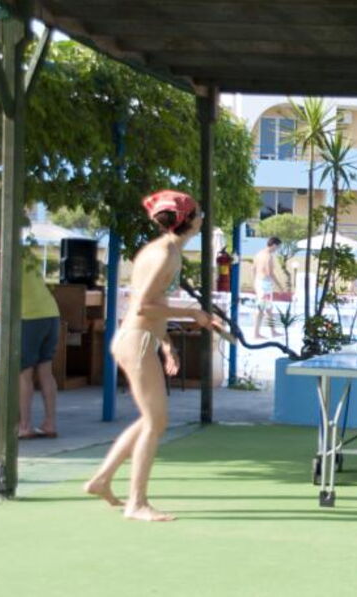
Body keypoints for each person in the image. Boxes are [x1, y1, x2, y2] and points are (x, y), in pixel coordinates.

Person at [83, 190, 222, 522]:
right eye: (199, 213)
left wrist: (167, 343)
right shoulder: (164, 255)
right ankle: (136, 503)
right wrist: (192, 313)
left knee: (151, 419)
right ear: (189, 221)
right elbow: (142, 306)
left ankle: (102, 480)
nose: (202, 218)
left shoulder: (165, 250)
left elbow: (152, 304)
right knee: (156, 422)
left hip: (142, 339)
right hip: (138, 340)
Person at [0, 226, 61, 440]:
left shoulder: (1, 257)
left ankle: (25, 426)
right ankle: (49, 424)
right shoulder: (26, 252)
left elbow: (4, 290)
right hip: (51, 314)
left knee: (24, 373)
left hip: (29, 316)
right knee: (46, 371)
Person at [252, 237, 283, 339]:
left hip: (259, 282)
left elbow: (253, 269)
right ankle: (256, 333)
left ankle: (273, 331)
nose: (277, 249)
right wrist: (279, 286)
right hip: (264, 284)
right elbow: (270, 273)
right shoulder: (268, 256)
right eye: (278, 247)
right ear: (274, 245)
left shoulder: (258, 254)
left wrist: (254, 283)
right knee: (261, 309)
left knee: (269, 308)